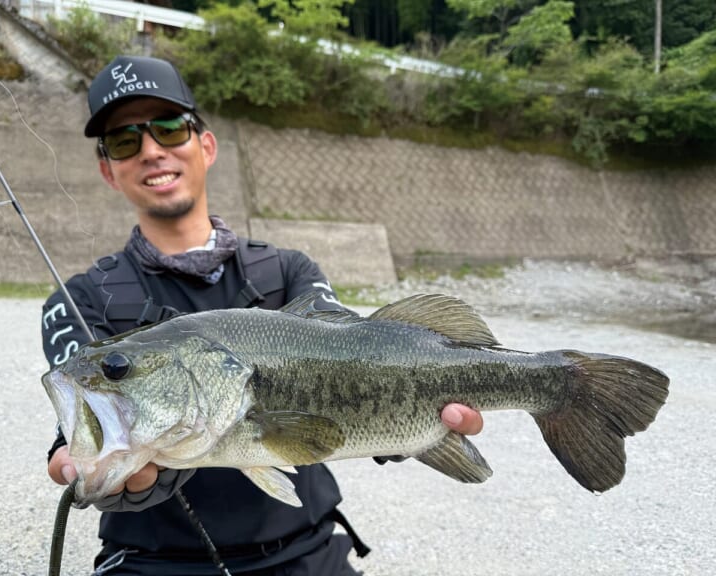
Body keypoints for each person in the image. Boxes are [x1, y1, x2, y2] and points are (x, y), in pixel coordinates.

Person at [42, 55, 484, 576]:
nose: (151, 151)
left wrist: (421, 427)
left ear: (207, 146)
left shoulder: (290, 271)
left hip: (307, 552)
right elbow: (80, 446)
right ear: (107, 169)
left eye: (170, 128)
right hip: (151, 563)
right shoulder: (78, 301)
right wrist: (102, 472)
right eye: (123, 141)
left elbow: (364, 367)